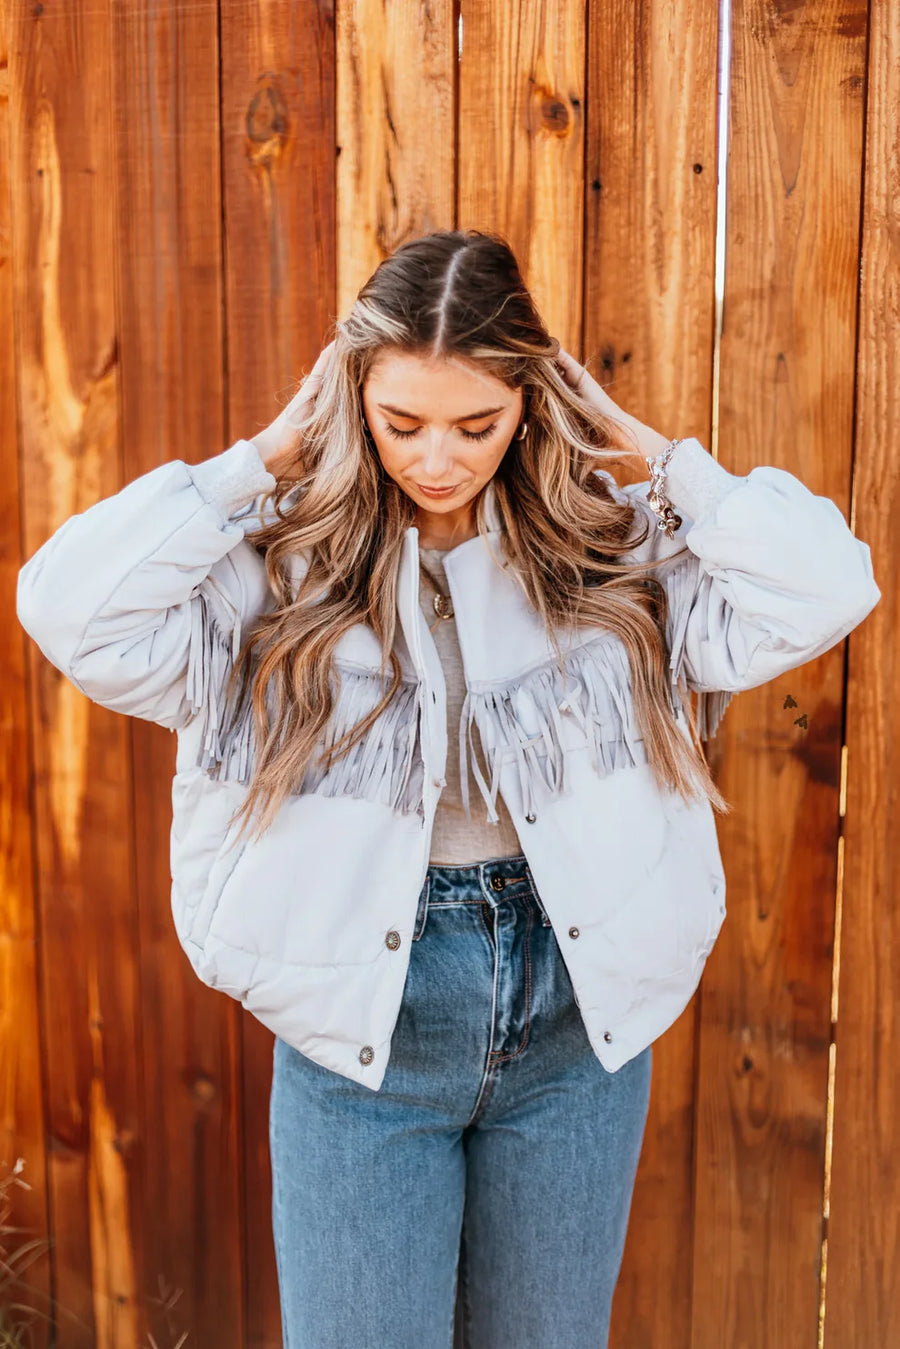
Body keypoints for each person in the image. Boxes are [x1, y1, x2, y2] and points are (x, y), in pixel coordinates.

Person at [16, 228, 881, 1348]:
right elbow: (67, 607)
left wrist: (660, 457)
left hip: (574, 1023)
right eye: (401, 422)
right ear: (351, 400)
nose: (437, 458)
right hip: (363, 1029)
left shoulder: (612, 555)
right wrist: (259, 459)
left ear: (529, 402)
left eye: (476, 424)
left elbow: (828, 585)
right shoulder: (277, 571)